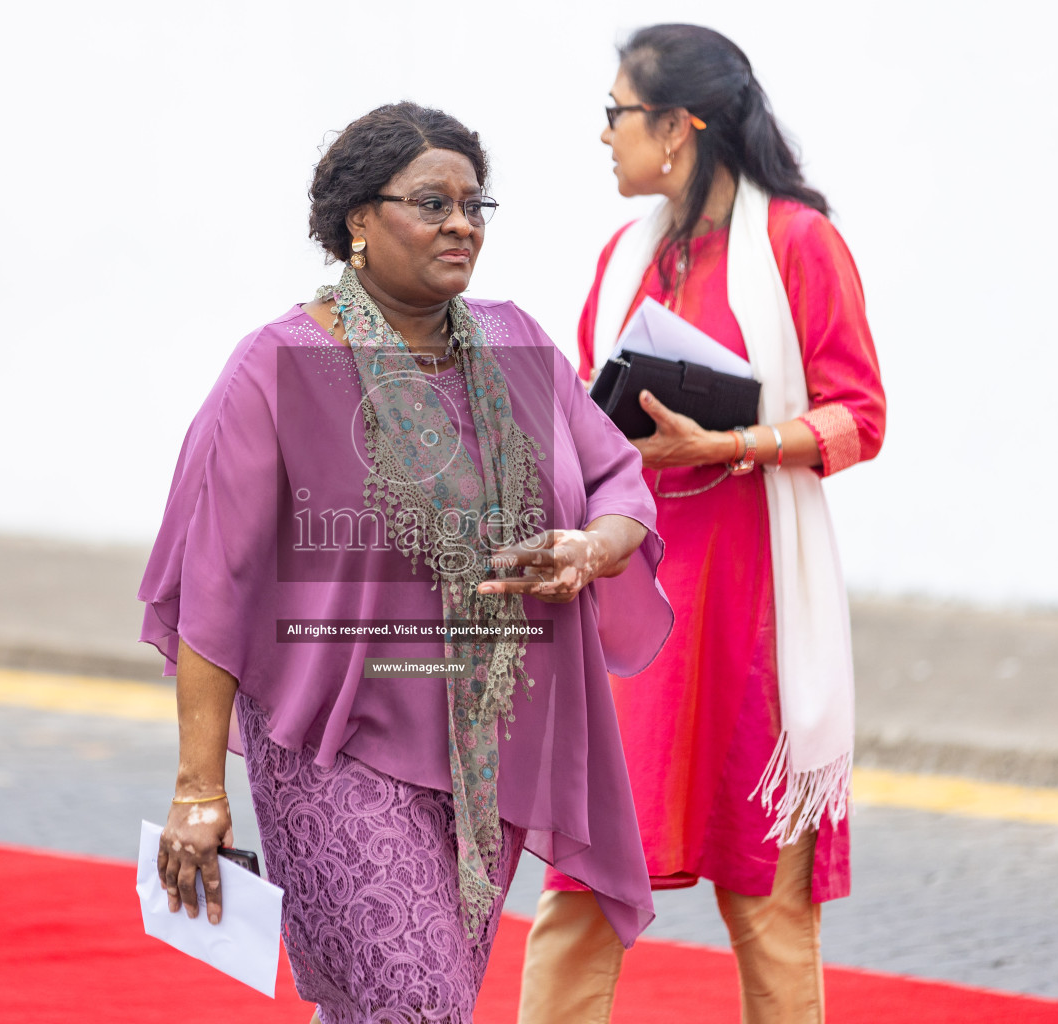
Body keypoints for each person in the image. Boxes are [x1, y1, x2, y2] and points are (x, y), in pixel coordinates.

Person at [138, 101, 674, 1024]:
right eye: (432, 202)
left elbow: (621, 483)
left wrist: (588, 549)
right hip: (335, 752)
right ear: (357, 220)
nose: (462, 223)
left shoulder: (515, 346)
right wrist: (198, 793)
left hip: (490, 745)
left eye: (476, 205)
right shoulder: (280, 365)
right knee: (419, 1011)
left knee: (382, 1012)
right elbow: (213, 587)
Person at [517, 25, 886, 1024]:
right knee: (583, 884)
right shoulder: (623, 254)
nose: (604, 137)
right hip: (635, 610)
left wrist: (728, 446)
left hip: (754, 609)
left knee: (768, 901)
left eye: (617, 115)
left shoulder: (801, 245)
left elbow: (861, 416)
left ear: (678, 128)